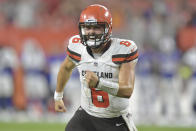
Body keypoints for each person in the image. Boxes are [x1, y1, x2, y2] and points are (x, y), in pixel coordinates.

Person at [54, 4, 138, 131]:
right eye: (87, 27)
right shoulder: (77, 47)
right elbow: (65, 68)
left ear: (108, 28)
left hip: (114, 118)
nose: (91, 32)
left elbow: (127, 90)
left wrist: (99, 83)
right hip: (86, 114)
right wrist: (58, 96)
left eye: (97, 27)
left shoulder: (123, 49)